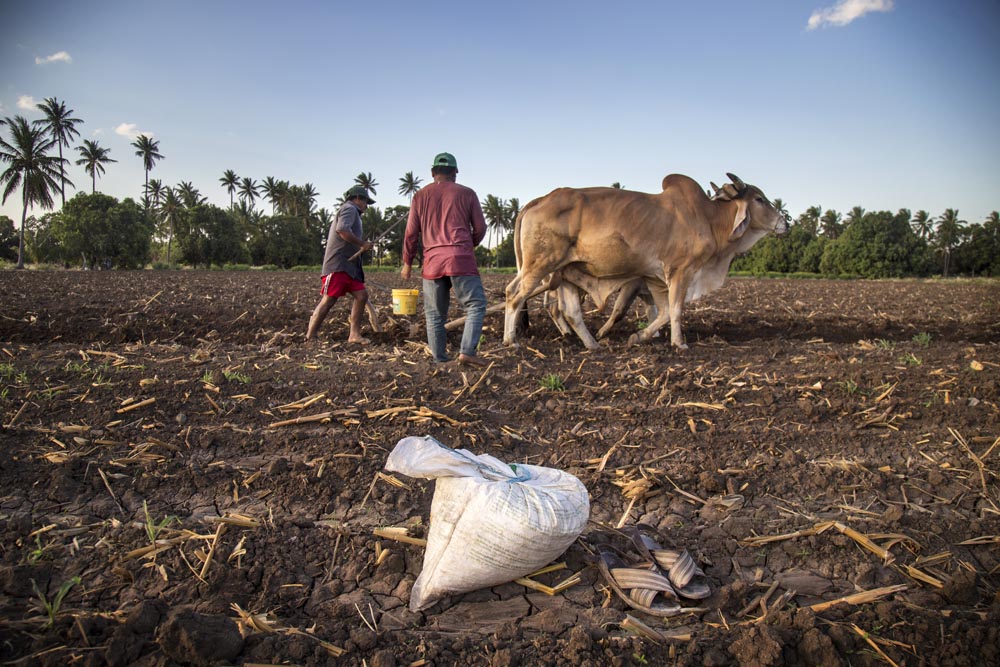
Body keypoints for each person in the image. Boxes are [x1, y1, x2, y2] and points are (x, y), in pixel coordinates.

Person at [401, 152, 489, 366]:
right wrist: (467, 245)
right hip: (460, 258)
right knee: (475, 304)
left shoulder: (420, 196)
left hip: (432, 262)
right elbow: (480, 228)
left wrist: (407, 263)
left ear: (433, 173)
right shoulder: (467, 194)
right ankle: (467, 351)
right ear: (455, 173)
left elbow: (411, 233)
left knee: (434, 315)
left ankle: (440, 360)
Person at [306, 185, 375, 343]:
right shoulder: (349, 209)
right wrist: (362, 243)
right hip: (338, 265)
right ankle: (310, 335)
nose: (366, 206)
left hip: (349, 268)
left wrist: (362, 245)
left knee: (361, 295)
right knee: (329, 299)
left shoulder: (354, 213)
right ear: (357, 198)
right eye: (365, 201)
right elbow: (342, 230)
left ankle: (354, 335)